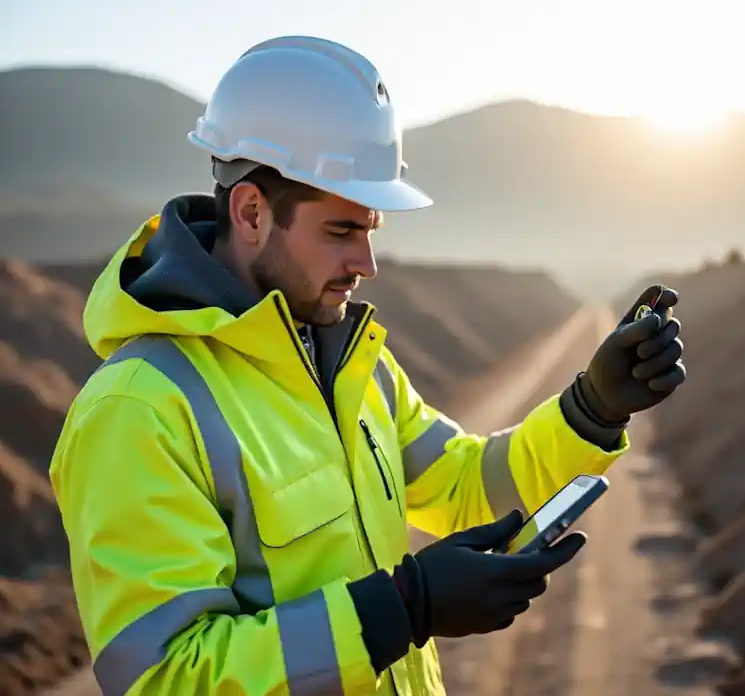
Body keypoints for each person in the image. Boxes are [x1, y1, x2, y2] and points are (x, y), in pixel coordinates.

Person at [49, 36, 686, 696]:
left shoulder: (350, 364)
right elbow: (166, 678)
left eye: (370, 229)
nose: (367, 263)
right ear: (250, 212)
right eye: (340, 232)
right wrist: (401, 609)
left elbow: (469, 489)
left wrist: (593, 408)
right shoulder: (140, 408)